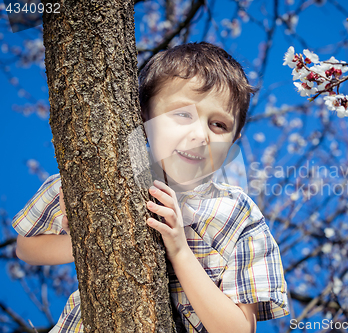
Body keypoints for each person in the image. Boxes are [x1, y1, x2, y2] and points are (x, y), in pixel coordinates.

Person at [12, 42, 289, 333]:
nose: (200, 134)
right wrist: (86, 241)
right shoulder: (101, 178)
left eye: (218, 125)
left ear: (234, 139)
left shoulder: (237, 213)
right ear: (144, 115)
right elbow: (25, 248)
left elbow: (238, 329)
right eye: (182, 114)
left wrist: (180, 249)